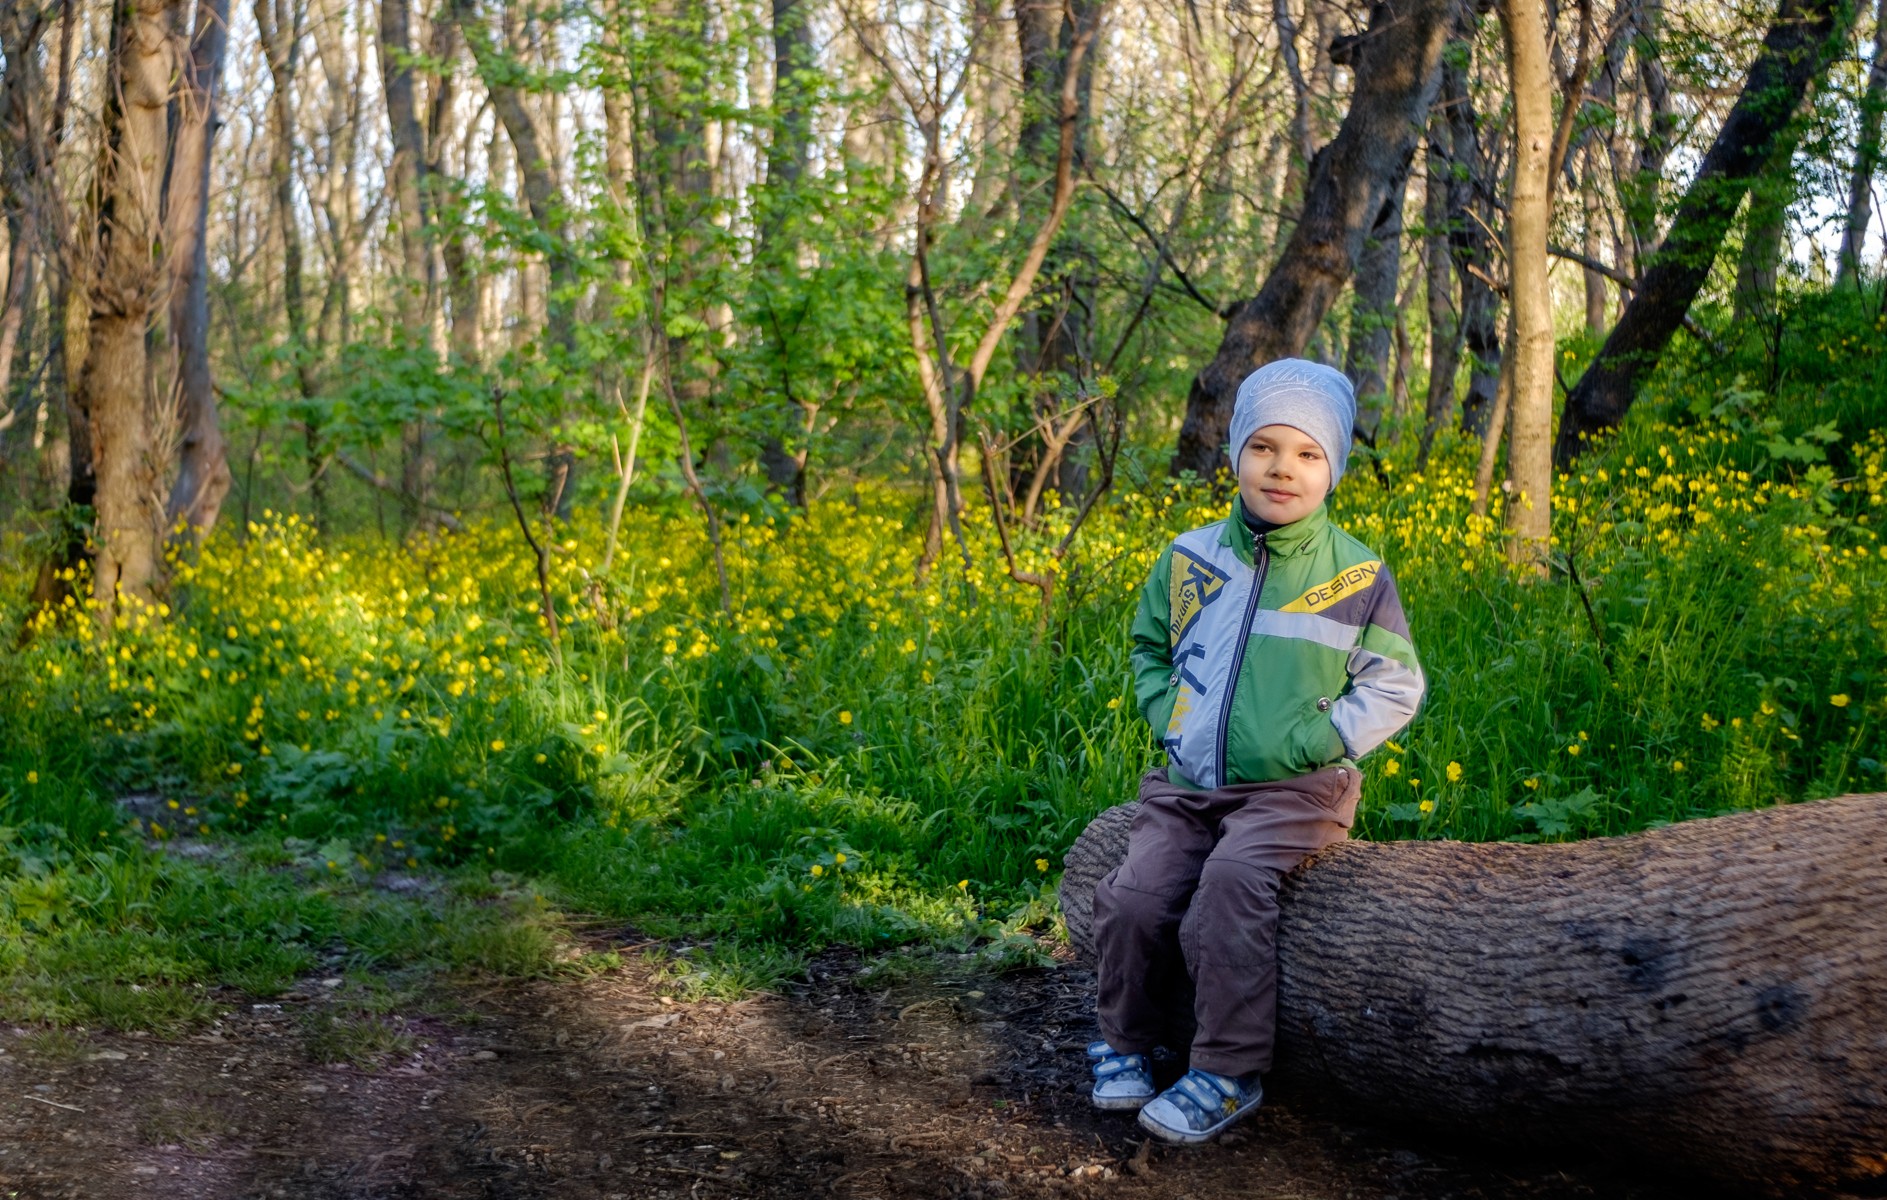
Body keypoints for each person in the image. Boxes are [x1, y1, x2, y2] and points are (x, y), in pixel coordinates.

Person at [1088, 358, 1424, 1145]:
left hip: (1297, 791)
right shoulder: (1189, 557)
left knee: (1229, 889)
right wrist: (1170, 718)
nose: (1283, 468)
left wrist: (1319, 737)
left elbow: (1396, 683)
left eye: (1307, 453)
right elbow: (1147, 648)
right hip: (1187, 781)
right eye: (1264, 447)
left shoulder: (1356, 574)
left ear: (1332, 466)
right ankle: (1124, 1042)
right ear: (1234, 454)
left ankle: (1227, 1070)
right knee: (1132, 896)